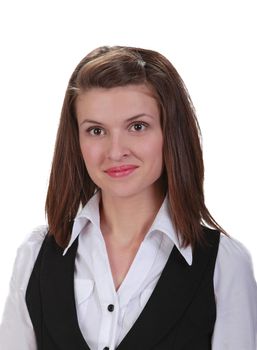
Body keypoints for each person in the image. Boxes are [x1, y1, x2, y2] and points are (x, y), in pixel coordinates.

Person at [0, 46, 256, 350]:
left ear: (170, 133)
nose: (116, 150)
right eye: (96, 130)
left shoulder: (224, 265)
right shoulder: (35, 257)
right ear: (76, 140)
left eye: (137, 126)